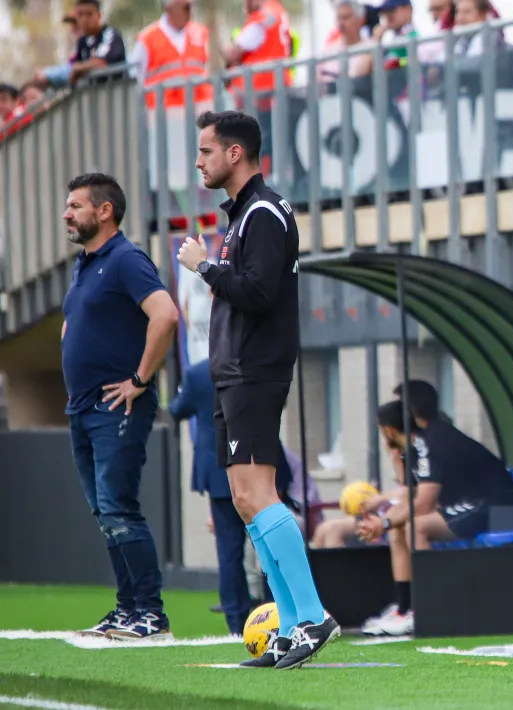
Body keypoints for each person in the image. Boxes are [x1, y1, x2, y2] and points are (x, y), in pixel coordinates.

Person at [177, 110, 338, 669]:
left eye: (205, 151)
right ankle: (291, 626)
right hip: (233, 372)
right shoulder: (244, 214)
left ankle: (312, 616)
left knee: (259, 494)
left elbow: (260, 292)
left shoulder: (265, 212)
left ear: (235, 153)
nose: (199, 162)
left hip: (255, 370)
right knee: (246, 499)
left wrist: (205, 269)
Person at [61, 173, 179, 639]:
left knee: (118, 507)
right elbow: (74, 325)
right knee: (106, 511)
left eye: (75, 205)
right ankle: (128, 608)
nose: (67, 213)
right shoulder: (84, 264)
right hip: (83, 408)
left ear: (104, 211)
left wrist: (139, 380)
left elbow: (165, 314)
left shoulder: (126, 258)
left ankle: (150, 613)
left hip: (116, 407)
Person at [358, 399, 513, 635]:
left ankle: (429, 608)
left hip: (498, 505)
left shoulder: (430, 442)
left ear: (388, 430)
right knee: (400, 525)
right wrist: (386, 520)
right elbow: (411, 492)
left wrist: (383, 523)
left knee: (416, 527)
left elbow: (424, 502)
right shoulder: (416, 447)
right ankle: (405, 608)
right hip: (474, 504)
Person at [170, 358, 252, 636]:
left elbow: (176, 410)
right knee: (269, 544)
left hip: (218, 470)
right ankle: (278, 610)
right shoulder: (252, 365)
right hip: (256, 462)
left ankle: (237, 622)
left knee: (229, 551)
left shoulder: (196, 373)